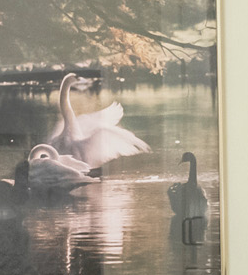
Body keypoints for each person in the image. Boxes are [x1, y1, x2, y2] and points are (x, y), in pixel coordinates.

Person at [15, 69, 148, 189]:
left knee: (85, 122)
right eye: (77, 79)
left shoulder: (59, 140)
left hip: (67, 175)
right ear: (69, 82)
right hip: (63, 175)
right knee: (94, 127)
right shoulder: (69, 140)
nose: (81, 80)